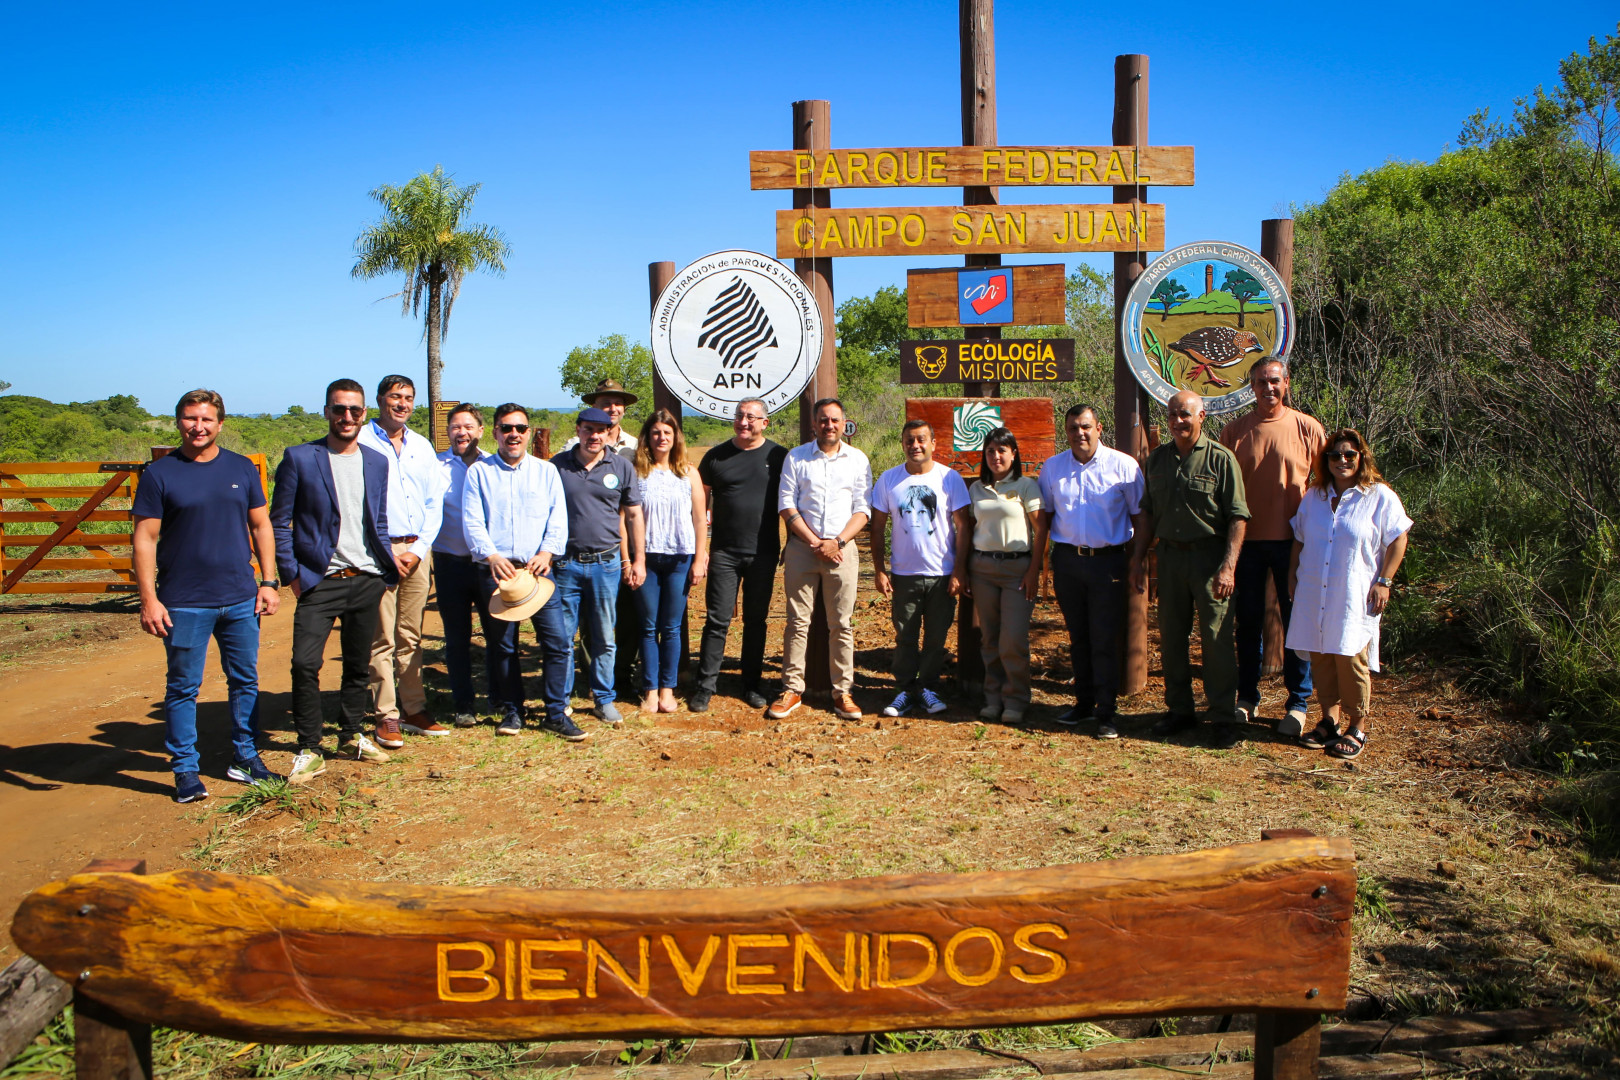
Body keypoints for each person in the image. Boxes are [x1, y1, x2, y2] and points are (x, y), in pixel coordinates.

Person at [132, 389, 282, 803]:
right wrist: (150, 599)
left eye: (206, 419)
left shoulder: (241, 468)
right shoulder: (160, 474)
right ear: (178, 421)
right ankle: (185, 769)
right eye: (189, 418)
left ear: (220, 423)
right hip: (183, 600)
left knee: (245, 680)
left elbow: (261, 526)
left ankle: (246, 757)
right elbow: (144, 539)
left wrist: (268, 581)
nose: (198, 427)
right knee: (183, 687)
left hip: (239, 597)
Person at [271, 379, 399, 783]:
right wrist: (292, 574)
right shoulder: (300, 458)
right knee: (304, 664)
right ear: (326, 411)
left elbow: (376, 519)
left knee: (357, 665)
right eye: (339, 409)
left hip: (366, 578)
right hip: (318, 580)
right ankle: (309, 747)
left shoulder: (377, 461)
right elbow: (279, 521)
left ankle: (351, 734)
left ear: (365, 414)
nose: (347, 417)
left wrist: (383, 568)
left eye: (355, 411)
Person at [1130, 390, 1249, 748]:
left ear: (1202, 416)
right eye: (1173, 415)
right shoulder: (1158, 461)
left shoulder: (1221, 459)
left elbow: (1238, 517)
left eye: (1185, 414)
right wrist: (1139, 559)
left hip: (1210, 559)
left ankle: (1223, 716)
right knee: (1171, 637)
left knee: (1215, 641)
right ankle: (1180, 710)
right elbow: (1148, 513)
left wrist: (1228, 567)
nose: (1178, 421)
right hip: (1169, 559)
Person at [1286, 429, 1411, 760]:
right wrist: (1292, 577)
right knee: (1322, 654)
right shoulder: (1315, 496)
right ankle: (1329, 721)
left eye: (1349, 455)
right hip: (1314, 588)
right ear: (1325, 461)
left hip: (1353, 593)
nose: (1342, 460)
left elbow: (1399, 537)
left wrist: (1384, 580)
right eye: (1335, 455)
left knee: (1351, 656)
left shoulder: (1378, 496)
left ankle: (1358, 727)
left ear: (1361, 457)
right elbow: (1299, 537)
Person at [461, 404, 580, 739]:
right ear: (496, 432)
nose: (514, 434)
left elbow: (558, 517)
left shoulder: (546, 472)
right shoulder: (480, 474)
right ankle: (513, 711)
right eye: (506, 428)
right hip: (497, 573)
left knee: (557, 642)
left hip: (539, 571)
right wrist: (491, 556)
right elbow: (472, 520)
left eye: (520, 428)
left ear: (529, 433)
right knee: (503, 646)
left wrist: (547, 552)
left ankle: (556, 713)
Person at [1219, 359, 1325, 737]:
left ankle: (1297, 702)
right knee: (1247, 625)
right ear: (1252, 387)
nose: (1269, 388)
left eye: (1275, 381)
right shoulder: (1234, 431)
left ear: (1286, 384)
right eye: (1261, 382)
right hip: (1246, 544)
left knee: (1298, 625)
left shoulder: (1307, 427)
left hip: (1294, 544)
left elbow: (1326, 484)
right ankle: (1247, 697)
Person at [1036, 406, 1146, 739]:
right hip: (1068, 561)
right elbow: (1046, 518)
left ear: (1099, 428)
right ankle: (1082, 704)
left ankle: (1106, 713)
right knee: (1078, 638)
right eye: (1072, 428)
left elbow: (1141, 518)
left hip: (1108, 562)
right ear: (1066, 432)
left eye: (1085, 427)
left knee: (1103, 638)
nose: (1079, 433)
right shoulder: (1053, 468)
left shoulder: (1123, 466)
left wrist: (1137, 561)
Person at [357, 374, 445, 746]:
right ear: (379, 400)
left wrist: (418, 549)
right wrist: (387, 550)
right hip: (378, 553)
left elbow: (433, 503)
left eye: (408, 398)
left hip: (417, 552)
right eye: (395, 396)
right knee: (382, 638)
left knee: (411, 634)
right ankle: (386, 715)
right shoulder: (359, 441)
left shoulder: (422, 446)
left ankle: (413, 708)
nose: (403, 404)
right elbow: (356, 505)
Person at [771, 398, 872, 721]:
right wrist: (816, 542)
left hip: (842, 550)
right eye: (823, 420)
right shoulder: (797, 457)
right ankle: (791, 689)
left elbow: (863, 508)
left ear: (844, 424)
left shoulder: (857, 460)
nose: (829, 425)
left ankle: (843, 692)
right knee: (797, 622)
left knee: (841, 624)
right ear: (814, 425)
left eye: (835, 420)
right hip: (803, 549)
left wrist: (837, 541)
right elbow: (787, 505)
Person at [691, 398, 787, 712]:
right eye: (740, 416)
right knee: (717, 621)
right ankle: (705, 686)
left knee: (756, 621)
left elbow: (794, 501)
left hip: (763, 552)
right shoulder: (715, 457)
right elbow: (699, 508)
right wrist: (701, 550)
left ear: (764, 423)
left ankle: (751, 685)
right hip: (724, 553)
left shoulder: (779, 456)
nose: (744, 422)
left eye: (751, 417)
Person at [870, 419, 970, 718]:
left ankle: (928, 688)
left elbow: (964, 526)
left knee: (936, 637)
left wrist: (959, 571)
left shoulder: (949, 478)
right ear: (903, 444)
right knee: (905, 636)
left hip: (942, 574)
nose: (915, 445)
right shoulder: (888, 480)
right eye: (910, 440)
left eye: (921, 440)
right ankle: (903, 690)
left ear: (933, 443)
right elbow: (877, 528)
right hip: (904, 574)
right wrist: (879, 569)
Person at [552, 407, 645, 727]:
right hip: (565, 564)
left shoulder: (620, 466)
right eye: (588, 429)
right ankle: (560, 701)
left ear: (610, 433)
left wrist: (637, 560)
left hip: (606, 564)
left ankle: (603, 699)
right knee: (563, 637)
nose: (594, 435)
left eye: (601, 430)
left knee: (605, 636)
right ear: (578, 430)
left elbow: (633, 515)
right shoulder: (557, 466)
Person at [631, 409, 708, 713]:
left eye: (667, 432)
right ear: (647, 438)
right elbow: (627, 518)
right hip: (646, 557)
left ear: (676, 437)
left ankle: (668, 689)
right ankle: (650, 690)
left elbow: (700, 520)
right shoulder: (636, 472)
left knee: (672, 627)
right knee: (649, 627)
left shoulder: (689, 473)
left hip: (680, 557)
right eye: (655, 433)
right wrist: (632, 560)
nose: (661, 438)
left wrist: (700, 559)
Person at [965, 428, 1043, 726]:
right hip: (982, 569)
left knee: (1013, 639)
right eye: (990, 451)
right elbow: (969, 530)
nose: (996, 456)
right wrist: (964, 570)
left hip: (1017, 571)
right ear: (984, 456)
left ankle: (1016, 699)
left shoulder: (1026, 486)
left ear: (1013, 454)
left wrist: (1035, 571)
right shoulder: (976, 489)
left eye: (1002, 450)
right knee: (989, 638)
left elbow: (1042, 530)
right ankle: (993, 698)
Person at [432, 404, 496, 728]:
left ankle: (497, 696)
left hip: (488, 567)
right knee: (456, 638)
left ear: (481, 431)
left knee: (496, 633)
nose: (462, 432)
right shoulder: (436, 467)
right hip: (450, 564)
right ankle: (463, 703)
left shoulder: (493, 466)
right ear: (448, 432)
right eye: (455, 427)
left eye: (468, 426)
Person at [561, 379, 639, 454]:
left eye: (618, 404)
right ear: (594, 408)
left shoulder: (634, 446)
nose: (613, 409)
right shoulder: (574, 446)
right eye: (606, 404)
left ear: (624, 409)